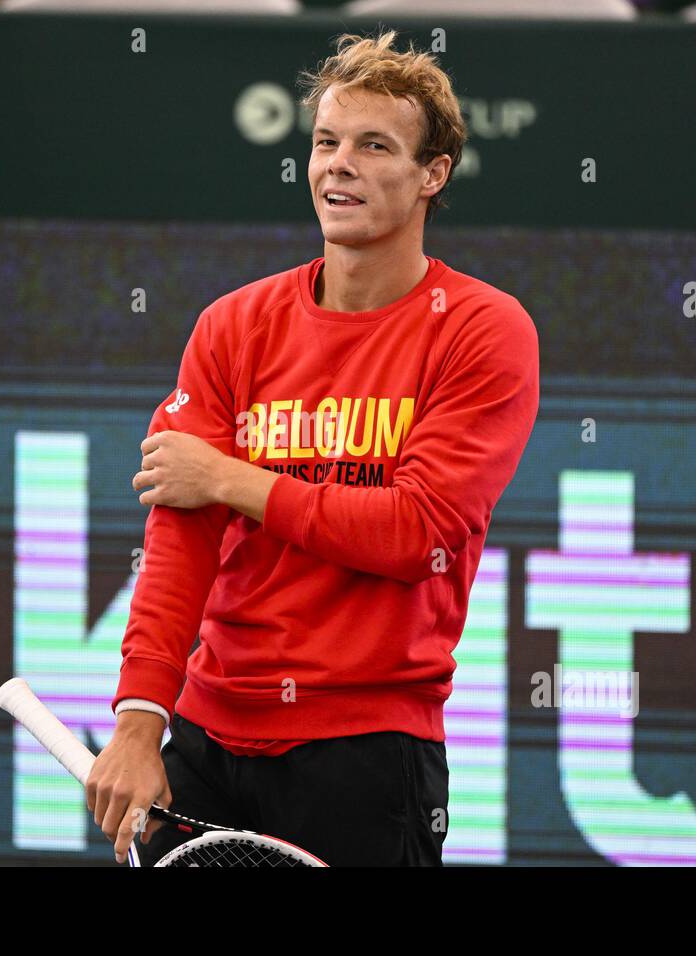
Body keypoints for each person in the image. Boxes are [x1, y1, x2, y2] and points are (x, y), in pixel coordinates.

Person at [87, 29, 539, 866]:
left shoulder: (485, 329)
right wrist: (140, 721)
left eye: (375, 146)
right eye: (327, 142)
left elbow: (417, 534)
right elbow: (179, 543)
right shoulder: (232, 325)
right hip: (207, 736)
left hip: (367, 750)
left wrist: (229, 477)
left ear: (433, 175)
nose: (340, 164)